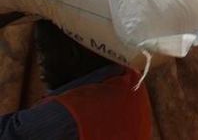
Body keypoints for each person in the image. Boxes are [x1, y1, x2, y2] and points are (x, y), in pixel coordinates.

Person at [0, 18, 152, 140]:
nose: (40, 62)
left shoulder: (66, 113)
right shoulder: (129, 77)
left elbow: (14, 132)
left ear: (71, 56)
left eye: (43, 51)